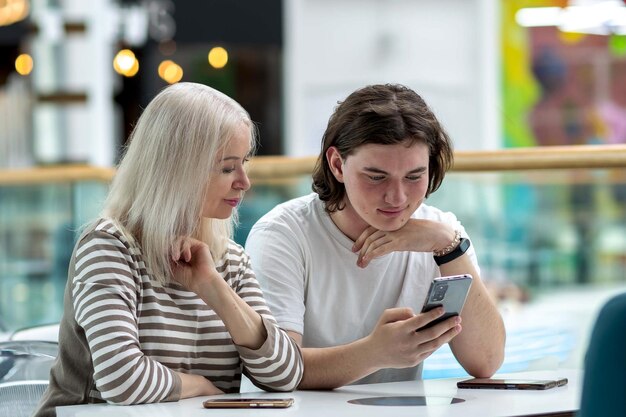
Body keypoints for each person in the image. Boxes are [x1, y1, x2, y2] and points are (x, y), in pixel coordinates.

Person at [34, 82, 303, 417]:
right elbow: (122, 379)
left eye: (244, 162)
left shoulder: (229, 259)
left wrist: (212, 286)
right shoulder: (107, 248)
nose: (244, 182)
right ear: (179, 169)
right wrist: (201, 387)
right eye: (227, 167)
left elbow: (286, 374)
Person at [245, 83, 505, 388]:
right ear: (337, 165)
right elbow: (275, 371)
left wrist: (449, 248)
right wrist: (375, 353)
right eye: (376, 177)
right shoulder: (282, 235)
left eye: (414, 176)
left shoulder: (441, 235)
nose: (397, 197)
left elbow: (486, 361)